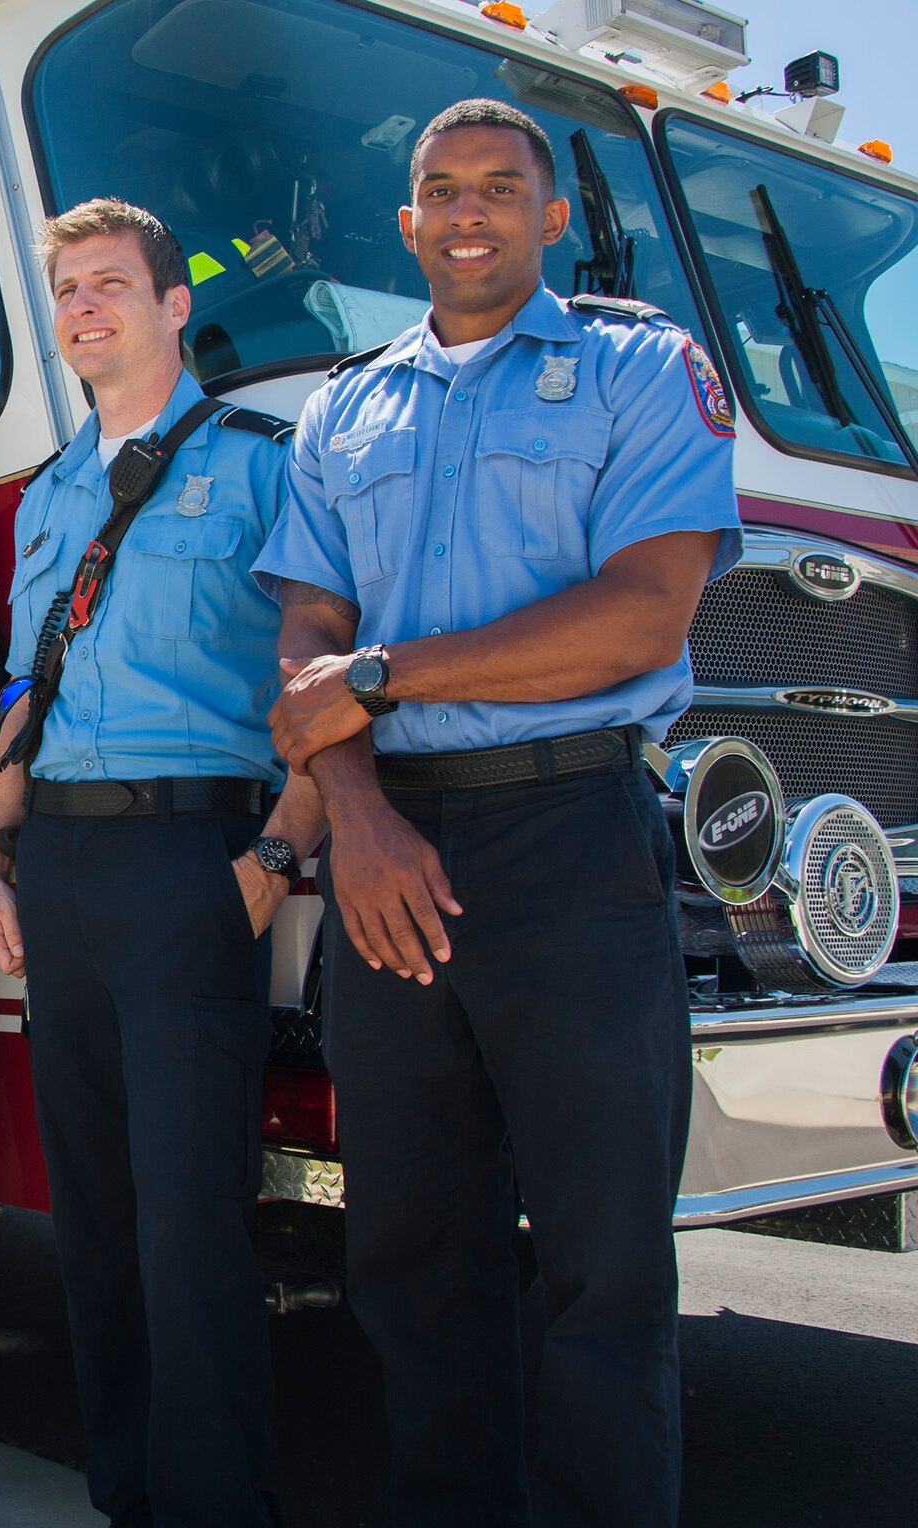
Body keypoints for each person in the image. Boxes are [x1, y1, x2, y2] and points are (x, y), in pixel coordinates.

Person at [253, 100, 740, 1526]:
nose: (470, 212)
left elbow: (641, 620)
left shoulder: (640, 372)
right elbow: (305, 647)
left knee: (602, 1264)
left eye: (500, 189)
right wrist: (358, 809)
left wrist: (384, 680)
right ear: (406, 225)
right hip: (388, 850)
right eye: (441, 191)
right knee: (411, 1250)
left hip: (571, 842)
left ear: (551, 216)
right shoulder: (344, 409)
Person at [0, 199, 321, 1528]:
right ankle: (126, 1492)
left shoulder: (258, 463)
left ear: (177, 306)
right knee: (96, 1227)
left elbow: (328, 668)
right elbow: (22, 692)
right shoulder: (53, 494)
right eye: (65, 289)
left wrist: (275, 856)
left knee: (190, 1229)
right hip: (58, 870)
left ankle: (219, 1502)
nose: (84, 308)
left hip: (194, 860)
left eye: (111, 283)